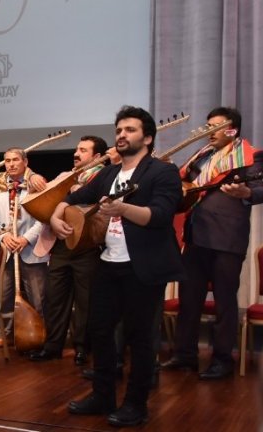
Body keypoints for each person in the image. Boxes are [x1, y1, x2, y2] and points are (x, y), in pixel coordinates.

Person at [51, 105, 184, 427]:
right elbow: (71, 197)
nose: (122, 135)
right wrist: (56, 216)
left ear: (148, 137)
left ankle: (135, 404)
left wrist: (123, 209)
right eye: (119, 130)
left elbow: (162, 215)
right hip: (108, 263)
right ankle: (102, 395)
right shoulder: (108, 173)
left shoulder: (162, 172)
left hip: (143, 266)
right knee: (99, 331)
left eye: (130, 130)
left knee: (139, 338)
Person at [163, 107, 263, 380]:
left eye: (214, 127)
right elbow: (183, 181)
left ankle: (222, 360)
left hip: (227, 239)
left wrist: (246, 192)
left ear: (232, 130)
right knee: (189, 301)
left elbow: (261, 188)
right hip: (196, 237)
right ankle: (184, 355)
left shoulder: (251, 156)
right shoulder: (202, 156)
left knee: (224, 303)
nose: (208, 132)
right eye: (207, 126)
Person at [29, 136, 109, 365]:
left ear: (96, 157)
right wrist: (33, 177)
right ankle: (52, 346)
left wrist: (81, 190)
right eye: (76, 149)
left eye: (82, 150)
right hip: (61, 246)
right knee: (55, 299)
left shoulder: (104, 176)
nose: (76, 153)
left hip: (88, 246)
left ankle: (82, 348)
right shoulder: (65, 176)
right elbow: (42, 197)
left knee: (85, 301)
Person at [0, 147, 49, 347]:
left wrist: (26, 239)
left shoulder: (36, 183)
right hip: (7, 250)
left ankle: (40, 335)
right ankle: (6, 334)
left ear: (25, 162)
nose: (11, 164)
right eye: (7, 161)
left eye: (15, 160)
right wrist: (3, 236)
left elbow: (44, 216)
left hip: (31, 249)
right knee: (5, 295)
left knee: (38, 297)